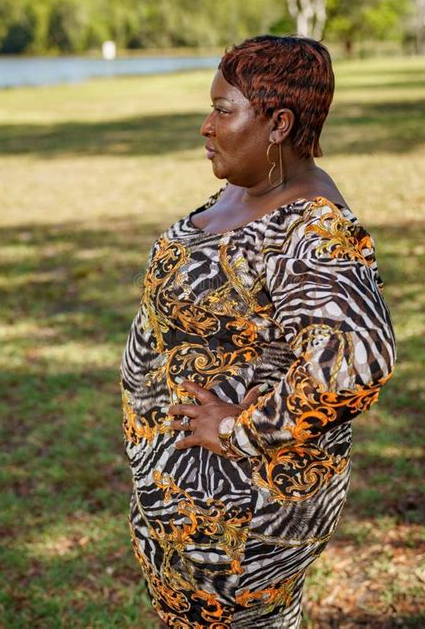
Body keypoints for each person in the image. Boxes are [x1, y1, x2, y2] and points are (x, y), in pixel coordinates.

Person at [120, 35, 396, 628]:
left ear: (278, 124)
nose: (206, 126)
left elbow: (356, 361)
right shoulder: (248, 189)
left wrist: (243, 430)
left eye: (224, 110)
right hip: (183, 494)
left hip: (242, 514)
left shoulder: (314, 230)